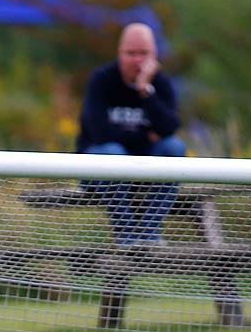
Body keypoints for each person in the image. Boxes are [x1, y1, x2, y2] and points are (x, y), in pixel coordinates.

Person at [77, 23, 186, 245]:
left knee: (174, 148)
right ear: (120, 54)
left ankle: (149, 234)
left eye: (143, 53)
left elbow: (169, 128)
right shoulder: (101, 80)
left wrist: (145, 90)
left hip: (143, 171)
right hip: (100, 168)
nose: (137, 60)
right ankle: (126, 235)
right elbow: (99, 133)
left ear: (154, 56)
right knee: (113, 152)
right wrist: (146, 139)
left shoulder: (161, 84)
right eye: (131, 53)